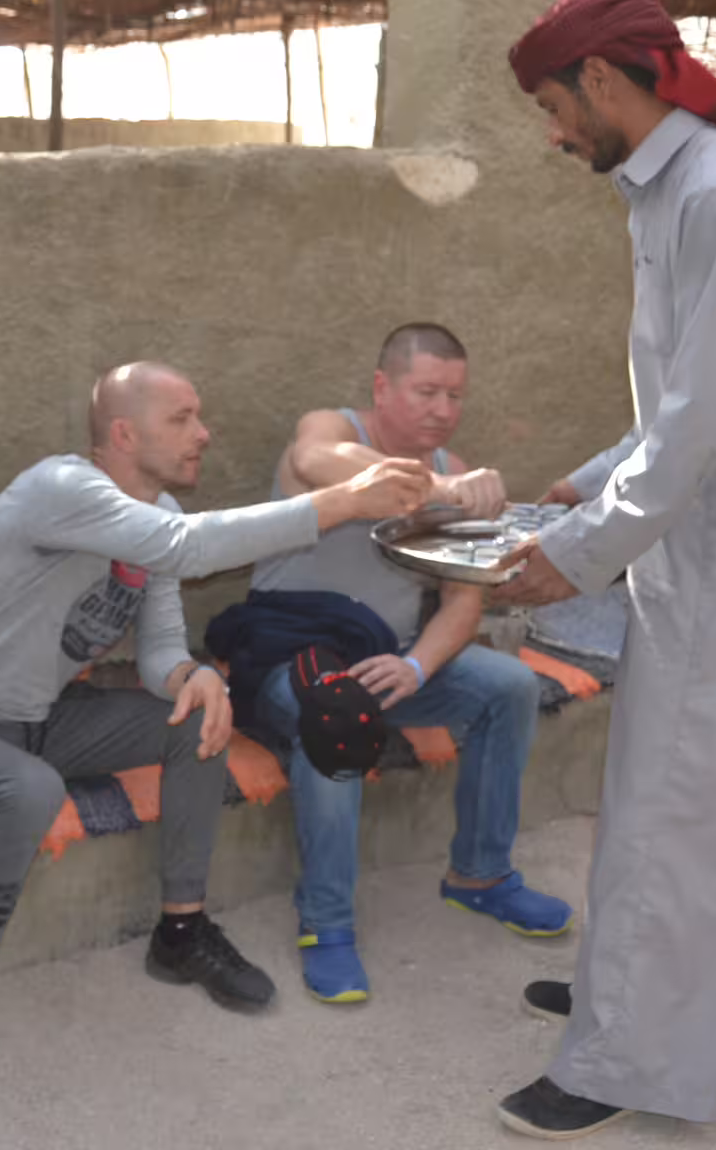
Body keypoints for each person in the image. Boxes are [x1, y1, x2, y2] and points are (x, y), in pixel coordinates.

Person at [0, 361, 431, 1123]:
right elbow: (186, 544)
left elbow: (161, 647)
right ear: (123, 433)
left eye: (200, 416)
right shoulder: (60, 488)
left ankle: (180, 931)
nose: (204, 432)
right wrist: (340, 501)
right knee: (30, 790)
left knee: (202, 723)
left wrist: (191, 680)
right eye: (183, 418)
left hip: (42, 719)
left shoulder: (159, 516)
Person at [490, 0, 716, 1140]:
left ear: (599, 80)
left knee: (674, 798)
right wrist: (590, 478)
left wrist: (572, 555)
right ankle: (692, 1000)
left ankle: (628, 1051)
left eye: (552, 108)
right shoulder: (688, 185)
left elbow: (700, 426)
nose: (553, 135)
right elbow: (691, 395)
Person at [206, 323, 570, 1007]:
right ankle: (326, 924)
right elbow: (324, 463)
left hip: (388, 661)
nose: (442, 409)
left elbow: (465, 602)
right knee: (336, 712)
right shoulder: (332, 429)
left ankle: (481, 877)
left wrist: (418, 670)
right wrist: (445, 488)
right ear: (382, 387)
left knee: (512, 687)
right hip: (288, 655)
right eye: (426, 391)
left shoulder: (458, 477)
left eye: (455, 396)